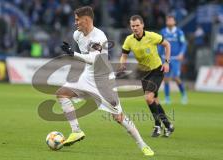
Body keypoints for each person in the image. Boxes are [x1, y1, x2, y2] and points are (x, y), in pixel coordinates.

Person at [56, 6, 154, 156]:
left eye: (77, 20)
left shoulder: (99, 37)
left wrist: (72, 53)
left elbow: (93, 60)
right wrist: (73, 53)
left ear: (86, 20)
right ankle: (76, 131)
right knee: (62, 93)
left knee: (118, 117)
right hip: (87, 77)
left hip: (103, 81)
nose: (75, 23)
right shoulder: (77, 35)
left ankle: (143, 145)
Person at [118, 15, 174, 137]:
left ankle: (157, 126)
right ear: (130, 27)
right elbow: (124, 54)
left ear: (142, 25)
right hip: (144, 73)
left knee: (148, 98)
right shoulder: (129, 40)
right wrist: (122, 64)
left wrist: (167, 62)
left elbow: (167, 45)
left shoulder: (152, 36)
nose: (135, 28)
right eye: (133, 26)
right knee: (154, 101)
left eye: (137, 25)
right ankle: (168, 125)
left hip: (157, 70)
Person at [159, 15, 188, 105]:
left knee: (176, 77)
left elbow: (183, 44)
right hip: (165, 58)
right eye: (168, 20)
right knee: (166, 78)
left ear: (174, 22)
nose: (170, 21)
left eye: (171, 20)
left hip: (176, 58)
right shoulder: (163, 31)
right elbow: (160, 45)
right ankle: (167, 98)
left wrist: (181, 54)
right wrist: (158, 56)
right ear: (166, 22)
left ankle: (184, 95)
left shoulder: (179, 32)